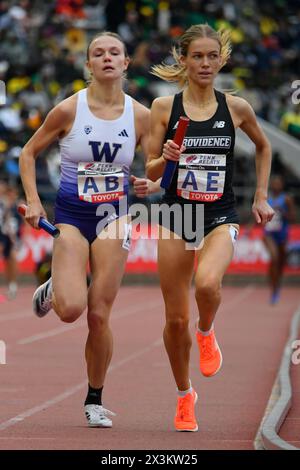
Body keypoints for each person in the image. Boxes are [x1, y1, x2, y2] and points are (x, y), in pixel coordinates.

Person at [145, 24, 274, 432]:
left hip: (219, 213)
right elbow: (148, 172)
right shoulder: (164, 108)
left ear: (222, 59)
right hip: (175, 214)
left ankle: (207, 331)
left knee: (206, 285)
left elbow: (264, 146)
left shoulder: (236, 108)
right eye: (196, 56)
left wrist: (261, 197)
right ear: (182, 60)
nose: (204, 63)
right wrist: (165, 157)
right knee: (174, 320)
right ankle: (185, 396)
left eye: (211, 56)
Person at [19, 31, 151, 428]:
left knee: (98, 314)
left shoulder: (141, 116)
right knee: (72, 310)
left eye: (115, 52)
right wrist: (35, 201)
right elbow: (28, 152)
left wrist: (152, 182)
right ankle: (54, 289)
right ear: (89, 65)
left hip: (116, 218)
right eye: (99, 53)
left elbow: (159, 167)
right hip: (72, 218)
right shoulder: (68, 110)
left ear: (126, 63)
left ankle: (94, 398)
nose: (107, 58)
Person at [263, 174, 296, 304]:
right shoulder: (266, 199)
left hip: (282, 234)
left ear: (282, 185)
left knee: (281, 263)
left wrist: (282, 211)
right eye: (274, 183)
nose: (276, 185)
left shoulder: (286, 199)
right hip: (269, 233)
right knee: (274, 257)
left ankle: (277, 285)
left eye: (278, 183)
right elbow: (259, 216)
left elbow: (293, 217)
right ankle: (273, 288)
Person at [0, 183, 23, 300]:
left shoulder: (18, 207)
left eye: (13, 194)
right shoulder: (2, 205)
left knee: (12, 259)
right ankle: (9, 284)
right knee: (6, 261)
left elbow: (22, 223)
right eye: (9, 193)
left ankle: (12, 286)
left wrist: (20, 239)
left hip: (14, 238)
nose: (11, 195)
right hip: (3, 236)